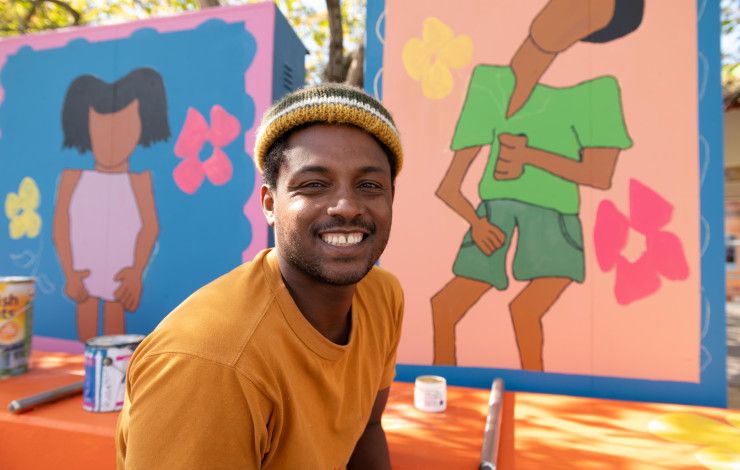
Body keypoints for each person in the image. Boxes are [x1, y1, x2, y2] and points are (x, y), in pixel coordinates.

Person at [116, 83, 404, 469]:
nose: (347, 206)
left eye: (369, 185)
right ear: (270, 204)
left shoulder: (383, 297)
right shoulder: (208, 364)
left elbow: (367, 428)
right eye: (314, 184)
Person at [432, 0, 643, 370]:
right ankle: (443, 389)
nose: (570, 13)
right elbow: (449, 186)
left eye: (589, 16)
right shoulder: (489, 83)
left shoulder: (596, 93)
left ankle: (535, 392)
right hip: (494, 216)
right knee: (445, 308)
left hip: (555, 220)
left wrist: (531, 157)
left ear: (589, 34)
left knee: (526, 311)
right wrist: (477, 223)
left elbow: (600, 174)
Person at [53, 68, 169, 341]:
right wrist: (69, 272)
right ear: (86, 127)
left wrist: (135, 273)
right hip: (83, 270)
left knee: (115, 322)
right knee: (86, 314)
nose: (111, 142)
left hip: (121, 274)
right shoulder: (72, 178)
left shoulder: (140, 181)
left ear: (141, 127)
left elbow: (149, 227)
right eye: (100, 128)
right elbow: (61, 226)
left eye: (126, 128)